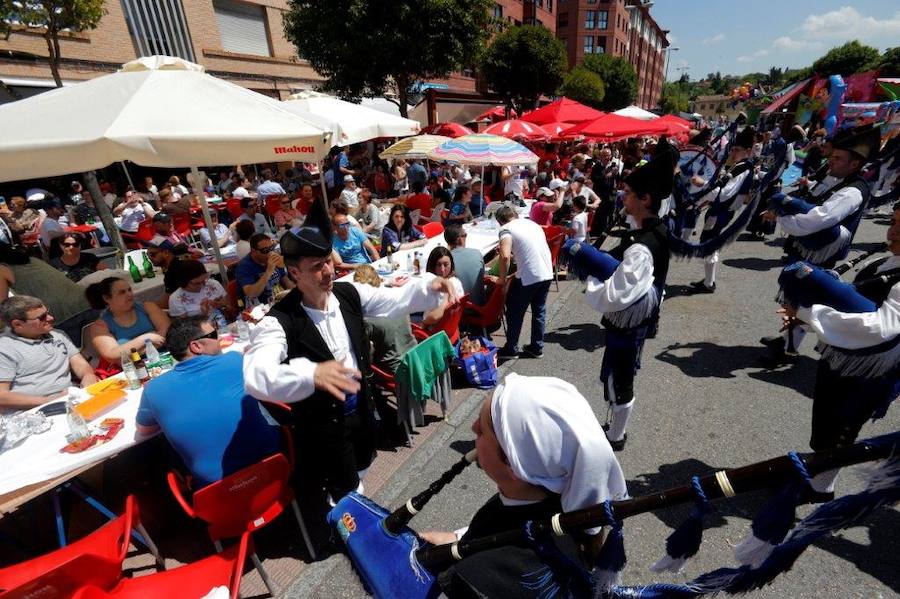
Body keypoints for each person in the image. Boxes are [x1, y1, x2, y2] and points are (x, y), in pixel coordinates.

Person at [242, 214, 461, 507]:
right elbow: (257, 375)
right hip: (324, 423)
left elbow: (393, 300)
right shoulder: (277, 322)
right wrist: (309, 375)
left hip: (362, 409)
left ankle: (353, 504)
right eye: (317, 267)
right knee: (344, 486)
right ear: (294, 273)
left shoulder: (348, 293)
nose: (329, 271)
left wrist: (428, 288)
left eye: (328, 262)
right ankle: (346, 523)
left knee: (362, 465)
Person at [418, 374, 627, 597]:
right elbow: (500, 532)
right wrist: (455, 539)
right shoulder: (555, 502)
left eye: (482, 430)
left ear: (514, 465)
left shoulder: (476, 581)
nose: (473, 427)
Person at [779, 202, 900, 502]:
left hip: (869, 372)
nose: (893, 231)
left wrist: (807, 312)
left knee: (840, 429)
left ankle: (820, 490)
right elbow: (855, 299)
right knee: (826, 423)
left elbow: (880, 328)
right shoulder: (889, 262)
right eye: (894, 221)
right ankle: (819, 480)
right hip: (846, 357)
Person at [761, 125, 879, 363]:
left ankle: (788, 349)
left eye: (837, 157)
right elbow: (815, 200)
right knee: (795, 295)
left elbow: (819, 219)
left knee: (805, 299)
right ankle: (787, 340)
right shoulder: (838, 179)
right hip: (809, 247)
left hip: (820, 252)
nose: (831, 160)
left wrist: (782, 216)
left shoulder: (853, 191)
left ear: (854, 164)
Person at [584, 151, 676, 451]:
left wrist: (590, 275)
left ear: (646, 199)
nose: (623, 197)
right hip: (639, 322)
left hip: (628, 327)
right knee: (618, 374)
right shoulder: (651, 231)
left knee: (619, 377)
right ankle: (614, 426)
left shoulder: (642, 247)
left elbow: (615, 295)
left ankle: (616, 435)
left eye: (628, 193)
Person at [136, 317, 281, 486]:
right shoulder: (235, 360)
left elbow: (144, 430)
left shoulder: (153, 389)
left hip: (216, 495)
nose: (218, 338)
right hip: (273, 469)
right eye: (213, 334)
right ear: (196, 346)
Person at [687, 126, 757, 294]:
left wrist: (702, 184)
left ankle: (709, 284)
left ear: (747, 151)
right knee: (710, 243)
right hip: (719, 210)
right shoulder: (738, 165)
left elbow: (724, 194)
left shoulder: (743, 168)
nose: (733, 153)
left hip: (722, 211)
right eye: (732, 149)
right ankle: (708, 282)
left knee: (710, 243)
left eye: (737, 150)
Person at [0, 295, 98, 412]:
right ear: (18, 324)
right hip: (32, 413)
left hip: (71, 402)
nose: (50, 318)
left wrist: (88, 377)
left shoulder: (58, 335)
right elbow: (2, 396)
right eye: (42, 317)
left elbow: (80, 364)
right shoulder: (4, 349)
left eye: (48, 312)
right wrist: (50, 401)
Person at [1, 243, 95, 346]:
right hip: (86, 303)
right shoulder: (31, 259)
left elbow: (2, 304)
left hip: (61, 315)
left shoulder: (2, 269)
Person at [495, 205, 553, 359]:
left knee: (514, 310)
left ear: (500, 221)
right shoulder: (532, 224)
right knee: (539, 310)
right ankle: (536, 346)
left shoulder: (506, 229)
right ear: (515, 214)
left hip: (529, 276)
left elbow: (505, 256)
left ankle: (511, 348)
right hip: (546, 272)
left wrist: (501, 278)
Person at [86, 276, 170, 363]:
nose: (129, 294)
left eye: (129, 290)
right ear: (107, 298)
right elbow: (112, 355)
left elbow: (167, 333)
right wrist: (146, 338)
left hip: (165, 357)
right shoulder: (100, 326)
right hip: (133, 369)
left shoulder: (148, 307)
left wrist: (127, 352)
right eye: (122, 292)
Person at [353, 265, 417, 375]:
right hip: (415, 354)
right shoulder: (396, 296)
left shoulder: (367, 318)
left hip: (394, 367)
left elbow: (360, 346)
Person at [235, 233, 293, 304]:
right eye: (265, 250)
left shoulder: (274, 258)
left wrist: (295, 292)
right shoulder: (244, 266)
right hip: (259, 307)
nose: (270, 252)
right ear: (253, 250)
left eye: (271, 248)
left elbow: (285, 280)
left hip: (279, 299)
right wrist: (268, 271)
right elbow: (251, 293)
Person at [446, 223, 488, 306]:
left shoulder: (446, 261)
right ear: (460, 239)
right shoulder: (476, 252)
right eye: (465, 235)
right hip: (481, 304)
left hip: (464, 308)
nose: (466, 237)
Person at [423, 246, 465, 326]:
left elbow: (434, 317)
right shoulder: (456, 281)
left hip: (433, 329)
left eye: (446, 265)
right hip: (452, 328)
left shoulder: (442, 290)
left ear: (451, 264)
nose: (442, 270)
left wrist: (423, 323)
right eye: (439, 265)